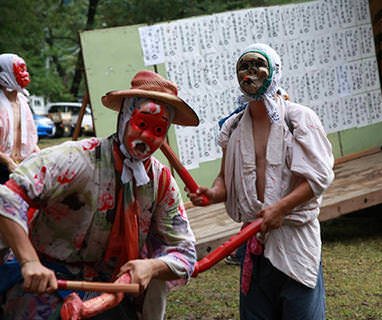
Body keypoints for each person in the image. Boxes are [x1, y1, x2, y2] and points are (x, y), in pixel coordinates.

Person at [0, 70, 199, 320]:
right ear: (125, 117)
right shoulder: (75, 159)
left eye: (158, 129)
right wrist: (29, 262)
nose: (147, 136)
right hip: (44, 283)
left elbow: (185, 252)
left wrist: (151, 266)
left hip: (111, 289)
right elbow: (8, 196)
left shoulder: (161, 182)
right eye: (142, 124)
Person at [188, 43, 335, 319]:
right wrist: (212, 194)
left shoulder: (299, 119)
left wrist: (281, 208)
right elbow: (225, 179)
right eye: (244, 66)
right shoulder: (232, 126)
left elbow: (319, 177)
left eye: (258, 65)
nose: (250, 72)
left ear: (274, 71)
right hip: (252, 245)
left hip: (295, 241)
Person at [0, 53, 39, 184]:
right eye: (19, 69)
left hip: (21, 166)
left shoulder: (23, 103)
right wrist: (8, 162)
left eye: (24, 69)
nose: (24, 74)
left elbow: (30, 141)